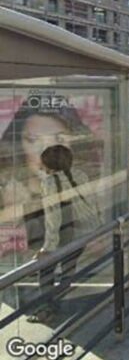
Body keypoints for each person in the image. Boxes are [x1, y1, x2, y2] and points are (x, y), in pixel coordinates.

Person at [0, 94, 102, 320]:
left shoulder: (50, 183)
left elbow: (54, 217)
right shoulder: (79, 175)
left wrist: (47, 248)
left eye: (59, 137)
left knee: (45, 274)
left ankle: (48, 308)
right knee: (67, 272)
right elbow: (91, 205)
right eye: (33, 139)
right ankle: (59, 302)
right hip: (79, 235)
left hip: (58, 237)